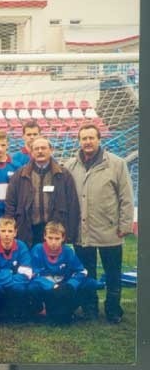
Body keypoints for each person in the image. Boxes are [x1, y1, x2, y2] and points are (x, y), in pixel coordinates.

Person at [64, 123, 134, 323]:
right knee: (87, 273)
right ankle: (89, 308)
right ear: (79, 141)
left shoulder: (117, 163)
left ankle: (113, 310)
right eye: (84, 138)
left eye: (91, 138)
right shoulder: (70, 165)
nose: (87, 142)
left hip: (109, 230)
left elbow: (126, 197)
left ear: (99, 139)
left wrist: (125, 225)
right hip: (81, 231)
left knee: (113, 273)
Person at [4, 136, 80, 247]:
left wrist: (70, 233)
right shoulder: (20, 175)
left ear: (51, 150)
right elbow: (10, 203)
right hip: (28, 230)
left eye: (43, 148)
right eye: (36, 148)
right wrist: (11, 228)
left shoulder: (63, 175)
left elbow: (72, 204)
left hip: (54, 231)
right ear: (31, 152)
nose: (40, 151)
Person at [29, 221, 98, 325]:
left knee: (89, 283)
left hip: (63, 289)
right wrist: (52, 286)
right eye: (50, 238)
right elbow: (33, 274)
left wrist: (70, 285)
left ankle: (67, 310)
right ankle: (40, 311)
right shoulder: (37, 249)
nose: (53, 242)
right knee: (32, 287)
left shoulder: (68, 251)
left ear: (63, 238)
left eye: (57, 238)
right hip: (47, 288)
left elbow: (81, 271)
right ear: (44, 236)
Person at [0, 216, 32, 322]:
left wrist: (2, 275)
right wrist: (11, 275)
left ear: (15, 232)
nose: (7, 234)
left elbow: (27, 274)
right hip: (0, 284)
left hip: (12, 283)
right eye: (3, 231)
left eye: (10, 231)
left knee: (19, 288)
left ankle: (15, 312)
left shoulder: (21, 246)